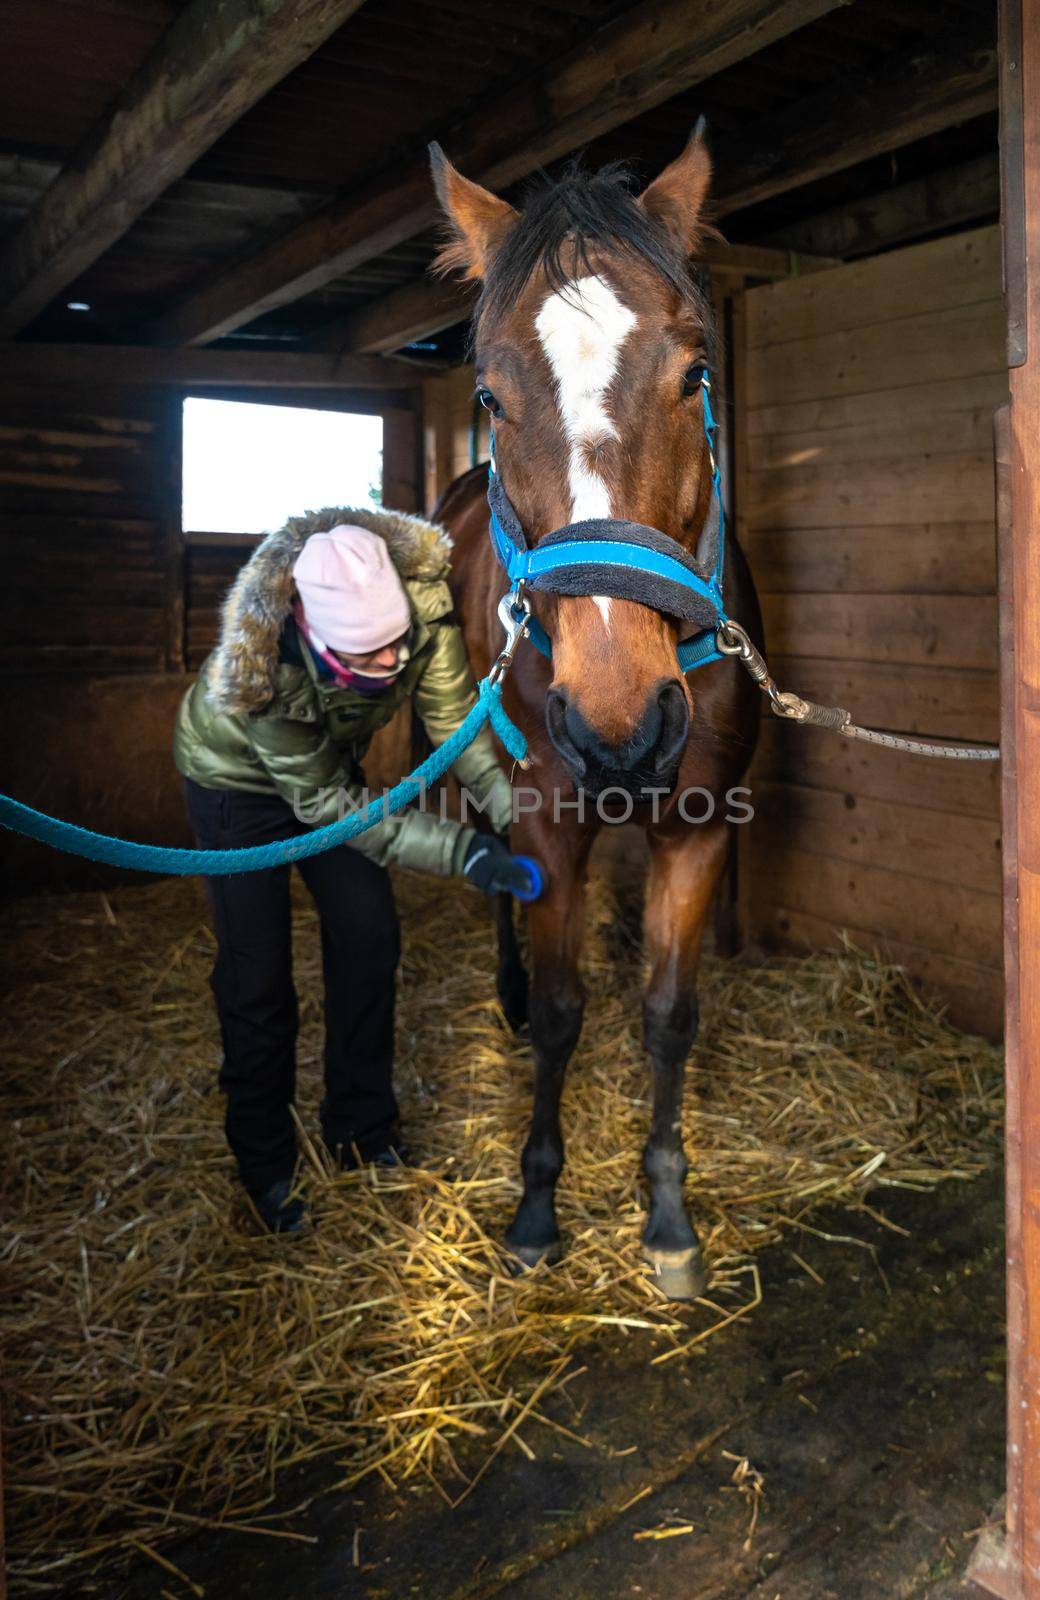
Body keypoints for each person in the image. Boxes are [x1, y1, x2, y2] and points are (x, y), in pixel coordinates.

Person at [174, 506, 538, 1234]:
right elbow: (333, 811)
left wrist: (508, 812)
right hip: (237, 790)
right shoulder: (264, 670)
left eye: (397, 647)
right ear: (311, 629)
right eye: (366, 659)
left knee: (369, 937)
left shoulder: (423, 616)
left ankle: (360, 1130)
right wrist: (463, 853)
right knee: (258, 978)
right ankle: (266, 1165)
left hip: (327, 771)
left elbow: (454, 722)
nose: (392, 666)